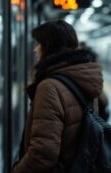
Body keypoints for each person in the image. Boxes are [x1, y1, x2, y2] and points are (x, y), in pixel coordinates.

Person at [12, 20, 103, 173]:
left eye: (38, 44)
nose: (35, 50)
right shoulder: (84, 78)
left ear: (49, 46)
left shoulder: (49, 87)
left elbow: (43, 153)